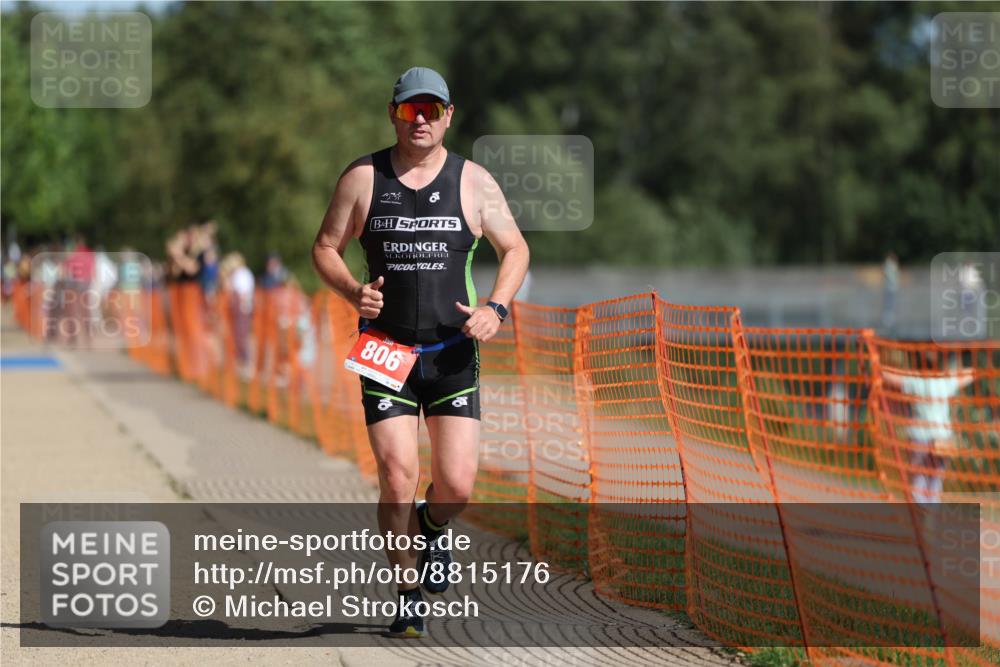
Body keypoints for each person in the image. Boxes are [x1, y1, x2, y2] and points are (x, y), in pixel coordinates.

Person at [312, 66, 529, 638]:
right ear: (394, 113)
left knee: (455, 486)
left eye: (432, 109)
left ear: (448, 116)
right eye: (411, 109)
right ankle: (408, 593)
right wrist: (352, 291)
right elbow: (326, 247)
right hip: (385, 350)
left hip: (451, 350)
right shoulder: (363, 178)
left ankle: (432, 528)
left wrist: (496, 308)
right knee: (397, 476)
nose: (421, 119)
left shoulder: (474, 181)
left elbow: (515, 249)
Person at [881, 353, 975, 506]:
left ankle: (920, 513)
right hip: (942, 437)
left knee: (918, 478)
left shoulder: (915, 382)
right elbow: (969, 375)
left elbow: (890, 377)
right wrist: (979, 368)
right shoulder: (945, 383)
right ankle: (930, 513)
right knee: (936, 478)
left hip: (919, 436)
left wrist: (875, 365)